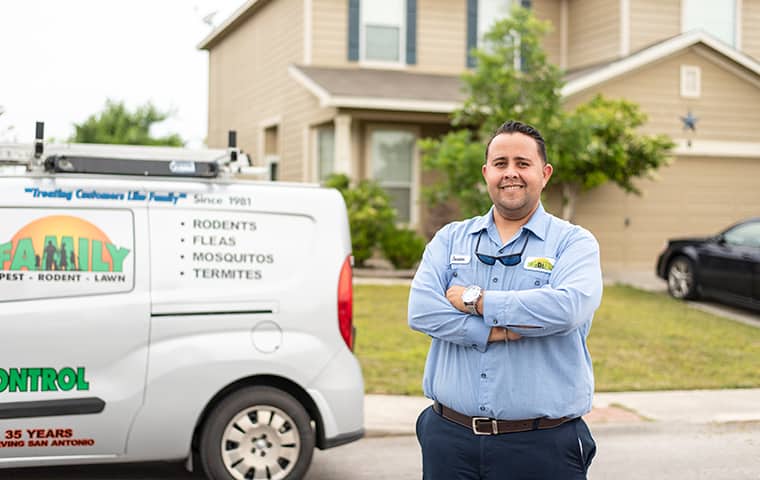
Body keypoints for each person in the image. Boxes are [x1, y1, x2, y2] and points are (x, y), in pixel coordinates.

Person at [408, 120, 603, 479]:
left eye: (522, 163)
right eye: (500, 164)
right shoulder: (451, 239)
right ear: (486, 173)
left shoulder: (573, 243)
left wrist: (476, 300)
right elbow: (421, 310)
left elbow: (566, 308)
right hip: (450, 440)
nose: (510, 173)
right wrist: (491, 332)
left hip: (541, 444)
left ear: (544, 174)